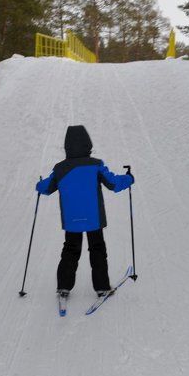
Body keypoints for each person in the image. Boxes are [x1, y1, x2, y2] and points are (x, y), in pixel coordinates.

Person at [36, 125, 134, 298]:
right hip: (94, 218)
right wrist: (129, 178)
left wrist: (39, 184)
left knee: (70, 249)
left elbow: (46, 188)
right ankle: (102, 287)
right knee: (97, 248)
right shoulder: (96, 165)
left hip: (71, 219)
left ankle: (64, 286)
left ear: (66, 146)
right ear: (88, 144)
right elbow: (113, 184)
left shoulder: (60, 168)